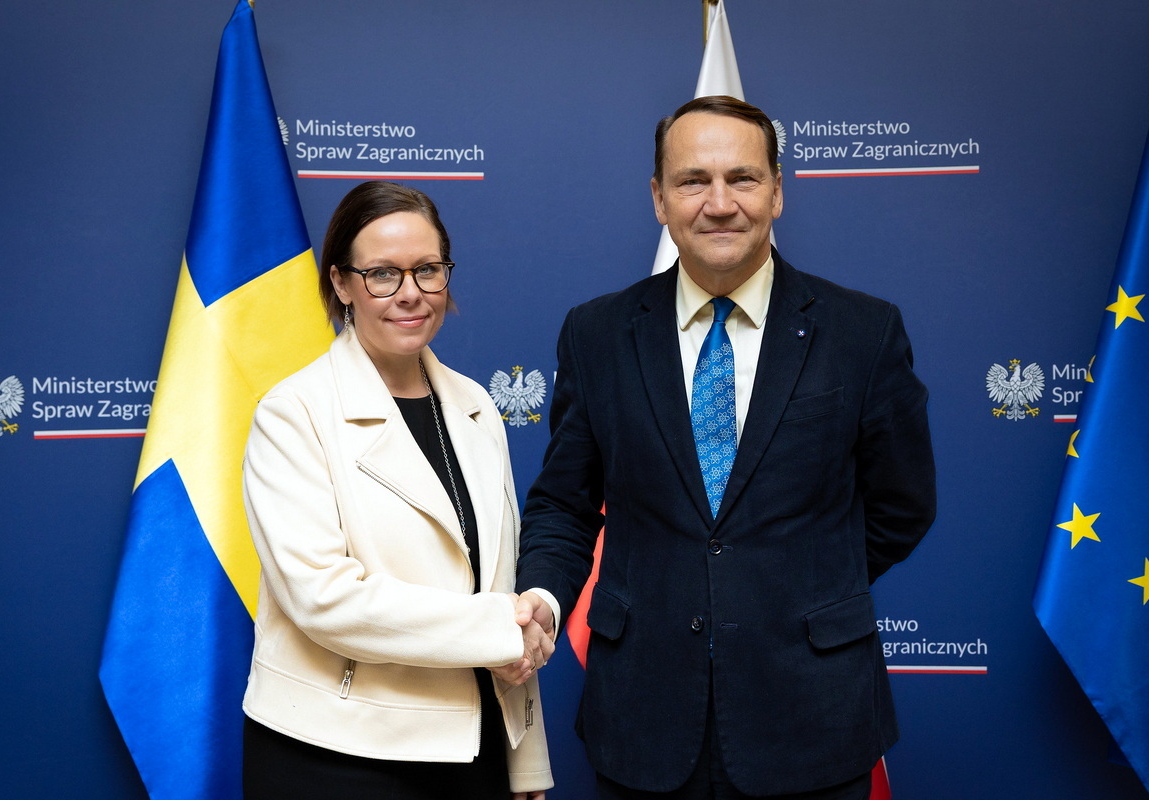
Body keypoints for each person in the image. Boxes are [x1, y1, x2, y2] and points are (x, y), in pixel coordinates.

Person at [515, 96, 937, 800]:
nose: (719, 204)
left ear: (777, 193)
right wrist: (544, 600)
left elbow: (903, 506)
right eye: (693, 181)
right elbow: (564, 503)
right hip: (643, 718)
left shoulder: (863, 332)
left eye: (742, 178)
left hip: (813, 714)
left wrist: (802, 584)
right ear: (659, 198)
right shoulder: (596, 334)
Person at [241, 180, 553, 800]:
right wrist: (499, 631)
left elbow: (498, 586)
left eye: (427, 270)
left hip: (473, 749)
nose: (410, 293)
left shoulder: (474, 405)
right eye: (382, 273)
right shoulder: (293, 412)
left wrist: (526, 761)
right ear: (341, 284)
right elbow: (323, 598)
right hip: (337, 753)